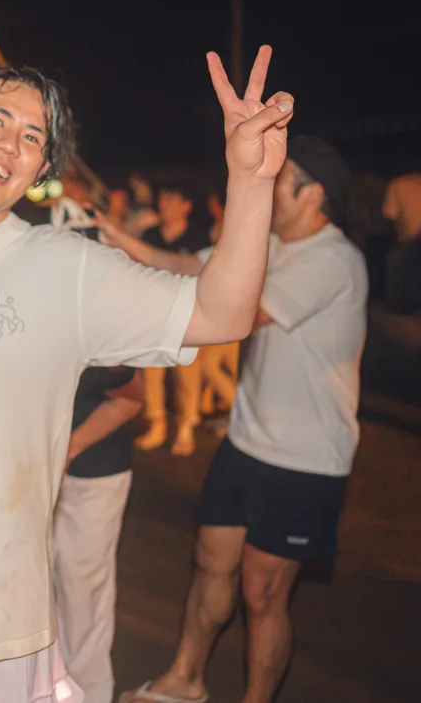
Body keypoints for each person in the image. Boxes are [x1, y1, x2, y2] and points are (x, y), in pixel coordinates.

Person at [0, 45, 294, 703]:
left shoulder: (65, 268)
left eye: (32, 137)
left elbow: (222, 312)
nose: (8, 145)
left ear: (41, 169)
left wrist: (251, 181)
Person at [96, 137, 366, 703]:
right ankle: (185, 679)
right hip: (245, 441)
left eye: (281, 177)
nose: (268, 183)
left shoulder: (334, 260)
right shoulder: (269, 242)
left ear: (312, 194)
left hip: (305, 458)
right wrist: (122, 240)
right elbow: (191, 268)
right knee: (209, 562)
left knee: (262, 591)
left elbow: (239, 311)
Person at [53, 367, 144, 703]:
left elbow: (129, 400)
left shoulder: (100, 345)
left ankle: (88, 696)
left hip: (91, 475)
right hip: (27, 469)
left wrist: (66, 449)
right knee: (26, 590)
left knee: (82, 596)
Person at [136, 174, 212, 455]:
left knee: (186, 374)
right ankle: (157, 423)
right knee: (151, 372)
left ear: (186, 206)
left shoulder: (198, 238)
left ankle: (185, 428)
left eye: (171, 199)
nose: (164, 204)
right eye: (163, 198)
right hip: (153, 314)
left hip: (187, 315)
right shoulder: (150, 236)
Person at [382, 170, 421, 313]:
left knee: (395, 259)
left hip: (409, 242)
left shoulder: (399, 183)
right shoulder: (399, 183)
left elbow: (391, 218)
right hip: (410, 242)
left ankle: (399, 307)